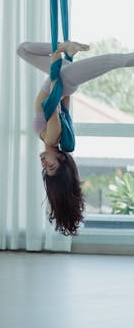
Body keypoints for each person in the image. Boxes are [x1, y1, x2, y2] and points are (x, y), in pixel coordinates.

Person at [17, 41, 134, 235]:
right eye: (52, 166)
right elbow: (52, 99)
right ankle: (62, 48)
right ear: (61, 159)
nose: (45, 164)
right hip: (63, 77)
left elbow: (64, 104)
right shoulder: (52, 137)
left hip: (64, 78)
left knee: (22, 51)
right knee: (113, 61)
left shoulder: (52, 139)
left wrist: (64, 59)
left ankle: (64, 47)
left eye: (46, 169)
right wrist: (56, 64)